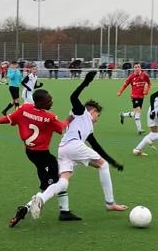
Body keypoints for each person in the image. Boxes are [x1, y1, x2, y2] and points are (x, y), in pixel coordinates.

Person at [28, 71, 127, 220]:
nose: (97, 119)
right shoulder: (81, 112)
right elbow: (73, 97)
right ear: (92, 111)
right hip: (74, 146)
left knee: (63, 182)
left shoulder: (88, 128)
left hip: (63, 149)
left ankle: (40, 199)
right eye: (98, 115)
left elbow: (97, 147)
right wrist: (86, 82)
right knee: (103, 165)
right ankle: (110, 203)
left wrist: (114, 162)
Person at [0, 88, 81, 226]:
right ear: (39, 102)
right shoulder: (49, 117)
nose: (51, 102)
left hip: (30, 153)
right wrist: (70, 118)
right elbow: (61, 128)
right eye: (48, 101)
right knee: (57, 182)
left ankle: (63, 211)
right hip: (43, 155)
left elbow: (8, 118)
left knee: (50, 182)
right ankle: (31, 207)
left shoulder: (24, 109)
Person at [117, 64, 152, 135]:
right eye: (135, 67)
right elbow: (125, 85)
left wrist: (147, 91)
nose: (137, 68)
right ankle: (139, 130)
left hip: (141, 97)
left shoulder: (145, 75)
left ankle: (123, 115)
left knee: (135, 113)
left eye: (138, 67)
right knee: (138, 112)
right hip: (134, 96)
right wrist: (120, 91)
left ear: (140, 68)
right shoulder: (131, 77)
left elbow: (149, 84)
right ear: (133, 68)